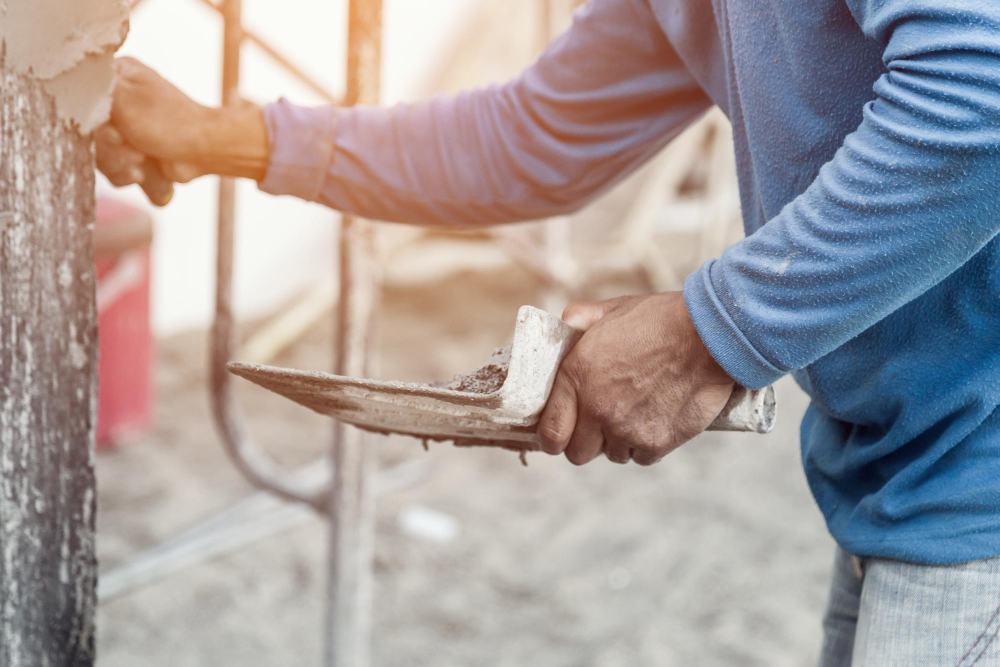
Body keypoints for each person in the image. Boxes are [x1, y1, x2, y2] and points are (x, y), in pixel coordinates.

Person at [98, 0, 1000, 663]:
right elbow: (533, 137)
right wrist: (219, 137)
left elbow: (979, 90)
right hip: (896, 470)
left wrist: (706, 332)